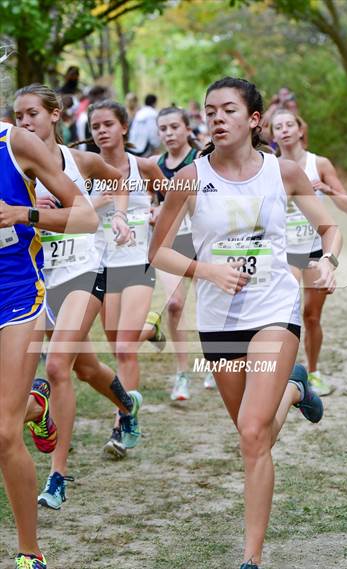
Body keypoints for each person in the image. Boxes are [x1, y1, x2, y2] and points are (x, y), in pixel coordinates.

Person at [149, 77, 342, 569]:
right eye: (209, 110)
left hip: (275, 310)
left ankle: (251, 560)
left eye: (228, 110)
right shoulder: (190, 179)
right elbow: (159, 252)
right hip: (218, 319)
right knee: (249, 430)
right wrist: (205, 269)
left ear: (254, 119)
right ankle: (295, 391)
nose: (216, 118)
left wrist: (329, 261)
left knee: (254, 434)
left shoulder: (284, 172)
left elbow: (329, 226)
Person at [14, 84, 142, 509]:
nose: (24, 122)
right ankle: (126, 405)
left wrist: (118, 213)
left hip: (84, 268)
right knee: (84, 367)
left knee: (56, 366)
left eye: (32, 113)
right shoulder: (15, 166)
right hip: (38, 278)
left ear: (55, 114)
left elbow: (120, 179)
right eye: (18, 116)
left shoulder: (79, 160)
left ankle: (58, 477)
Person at [0, 118, 97, 569]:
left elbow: (86, 216)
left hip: (17, 295)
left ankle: (29, 551)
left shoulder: (15, 141)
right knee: (13, 414)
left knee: (3, 433)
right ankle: (37, 409)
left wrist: (25, 214)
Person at [88, 99, 167, 458]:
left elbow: (175, 198)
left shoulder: (144, 166)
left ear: (123, 127)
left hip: (137, 262)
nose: (101, 131)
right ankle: (151, 328)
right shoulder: (85, 169)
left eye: (107, 124)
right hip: (103, 264)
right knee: (117, 341)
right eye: (95, 126)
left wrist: (157, 211)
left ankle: (123, 422)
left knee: (122, 348)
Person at [271, 108, 347, 395]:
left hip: (315, 249)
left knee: (311, 316)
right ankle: (285, 374)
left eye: (289, 124)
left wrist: (328, 189)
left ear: (300, 129)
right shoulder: (269, 166)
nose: (284, 130)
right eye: (278, 126)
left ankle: (314, 372)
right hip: (285, 251)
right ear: (272, 134)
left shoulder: (320, 163)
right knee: (287, 310)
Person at [151, 106, 215, 398]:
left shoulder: (203, 160)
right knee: (175, 304)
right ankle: (181, 374)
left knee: (209, 308)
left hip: (202, 242)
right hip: (169, 243)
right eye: (163, 129)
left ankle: (214, 363)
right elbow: (146, 201)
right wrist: (154, 211)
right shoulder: (154, 164)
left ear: (187, 128)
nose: (169, 133)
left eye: (174, 127)